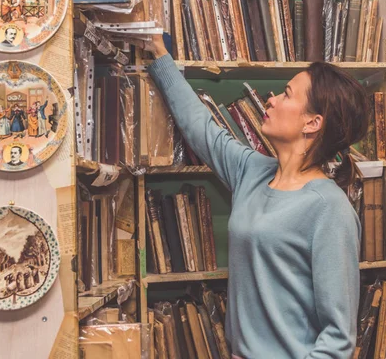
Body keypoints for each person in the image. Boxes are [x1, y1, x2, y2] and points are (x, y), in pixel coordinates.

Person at [146, 35, 368, 359]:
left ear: (312, 122)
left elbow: (338, 339)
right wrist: (159, 53)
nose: (272, 100)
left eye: (287, 95)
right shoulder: (252, 170)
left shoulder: (330, 210)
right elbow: (201, 128)